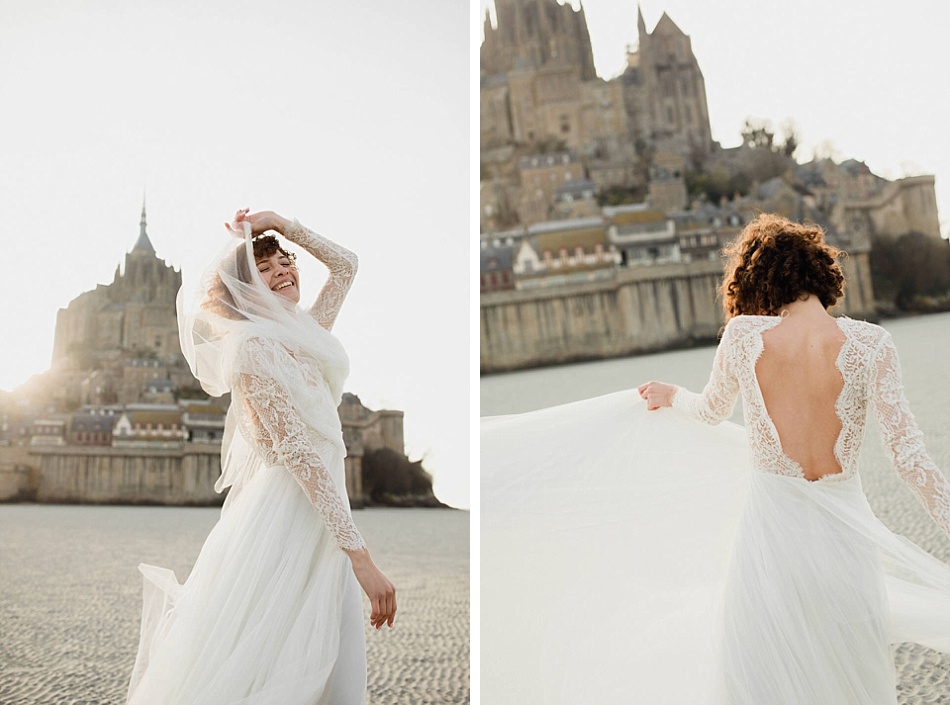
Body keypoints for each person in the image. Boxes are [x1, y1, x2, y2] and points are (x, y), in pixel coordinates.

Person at [480, 213, 950, 704]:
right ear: (820, 272)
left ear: (755, 280)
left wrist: (671, 396)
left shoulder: (745, 336)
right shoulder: (874, 343)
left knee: (764, 678)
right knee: (848, 674)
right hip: (845, 544)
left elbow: (709, 411)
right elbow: (911, 460)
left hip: (772, 540)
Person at [126, 209, 395, 705]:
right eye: (265, 271)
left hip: (323, 521)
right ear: (246, 293)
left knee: (324, 664)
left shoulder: (305, 334)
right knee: (278, 665)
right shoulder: (252, 350)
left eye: (284, 262)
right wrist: (360, 555)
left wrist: (283, 224)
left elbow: (347, 265)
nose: (283, 272)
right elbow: (299, 454)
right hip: (288, 520)